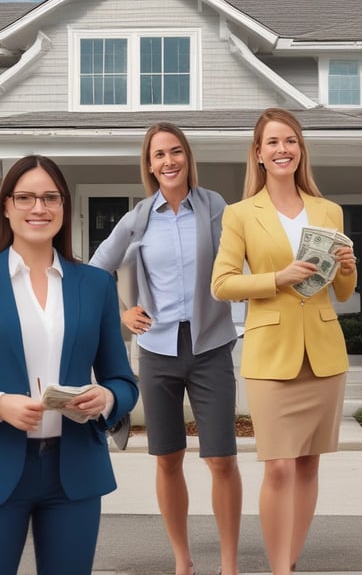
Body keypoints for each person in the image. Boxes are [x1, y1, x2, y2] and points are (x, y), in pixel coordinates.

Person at [0, 155, 139, 575]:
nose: (40, 208)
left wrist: (107, 397)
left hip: (74, 474)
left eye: (51, 197)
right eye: (26, 197)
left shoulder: (94, 285)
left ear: (64, 207)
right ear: (6, 206)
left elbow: (123, 382)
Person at [89, 122, 242, 575]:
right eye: (159, 155)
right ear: (149, 165)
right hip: (157, 349)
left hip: (210, 344)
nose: (169, 161)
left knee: (220, 458)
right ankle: (182, 560)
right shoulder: (138, 218)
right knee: (168, 457)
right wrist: (121, 314)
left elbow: (249, 256)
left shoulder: (216, 208)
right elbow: (96, 270)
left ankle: (229, 564)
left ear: (188, 157)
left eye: (176, 152)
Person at [211, 107, 357, 575]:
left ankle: (290, 563)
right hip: (271, 355)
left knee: (309, 466)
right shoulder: (239, 215)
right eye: (272, 142)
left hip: (323, 353)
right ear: (258, 153)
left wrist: (349, 270)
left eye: (290, 141)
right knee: (278, 467)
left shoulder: (328, 210)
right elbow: (223, 284)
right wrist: (277, 277)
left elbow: (341, 292)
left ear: (300, 150)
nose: (282, 149)